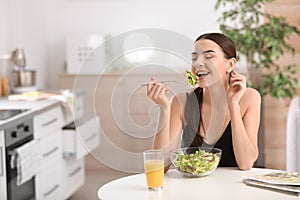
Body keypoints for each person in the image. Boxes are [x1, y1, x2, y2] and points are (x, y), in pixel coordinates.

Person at [147, 33, 261, 171]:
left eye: (208, 56)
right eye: (194, 58)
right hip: (193, 189)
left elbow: (246, 163)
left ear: (230, 64)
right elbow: (159, 167)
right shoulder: (181, 101)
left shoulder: (249, 98)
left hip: (235, 189)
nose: (198, 63)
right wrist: (164, 108)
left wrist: (233, 106)